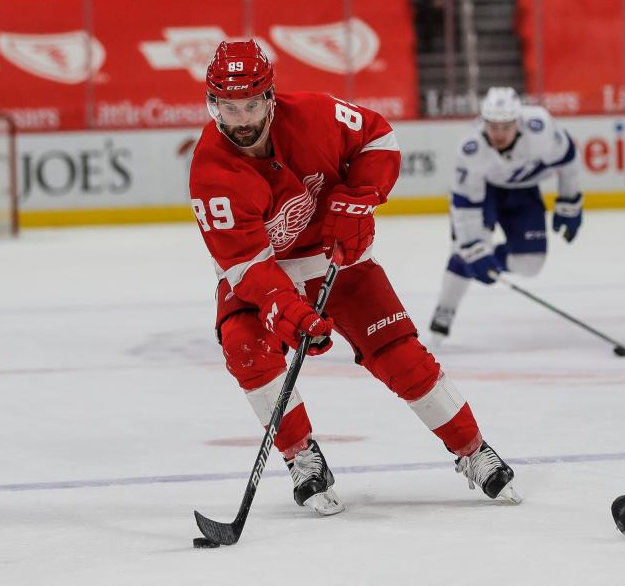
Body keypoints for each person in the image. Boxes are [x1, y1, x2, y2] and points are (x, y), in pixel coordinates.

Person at [188, 40, 521, 517]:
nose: (241, 119)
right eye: (228, 106)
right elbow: (244, 265)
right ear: (213, 103)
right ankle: (301, 455)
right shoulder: (211, 171)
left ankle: (472, 449)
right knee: (247, 348)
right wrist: (288, 309)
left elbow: (379, 137)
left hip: (337, 260)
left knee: (401, 355)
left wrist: (361, 196)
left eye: (250, 104)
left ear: (269, 98)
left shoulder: (315, 115)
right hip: (262, 272)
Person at [429, 87, 582, 344]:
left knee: (530, 263)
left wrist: (570, 201)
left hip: (523, 192)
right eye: (493, 126)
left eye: (505, 127)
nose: (498, 134)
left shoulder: (541, 129)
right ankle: (446, 307)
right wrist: (472, 246)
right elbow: (465, 205)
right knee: (463, 248)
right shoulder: (471, 149)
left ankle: (479, 262)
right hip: (486, 193)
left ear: (518, 123)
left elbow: (569, 161)